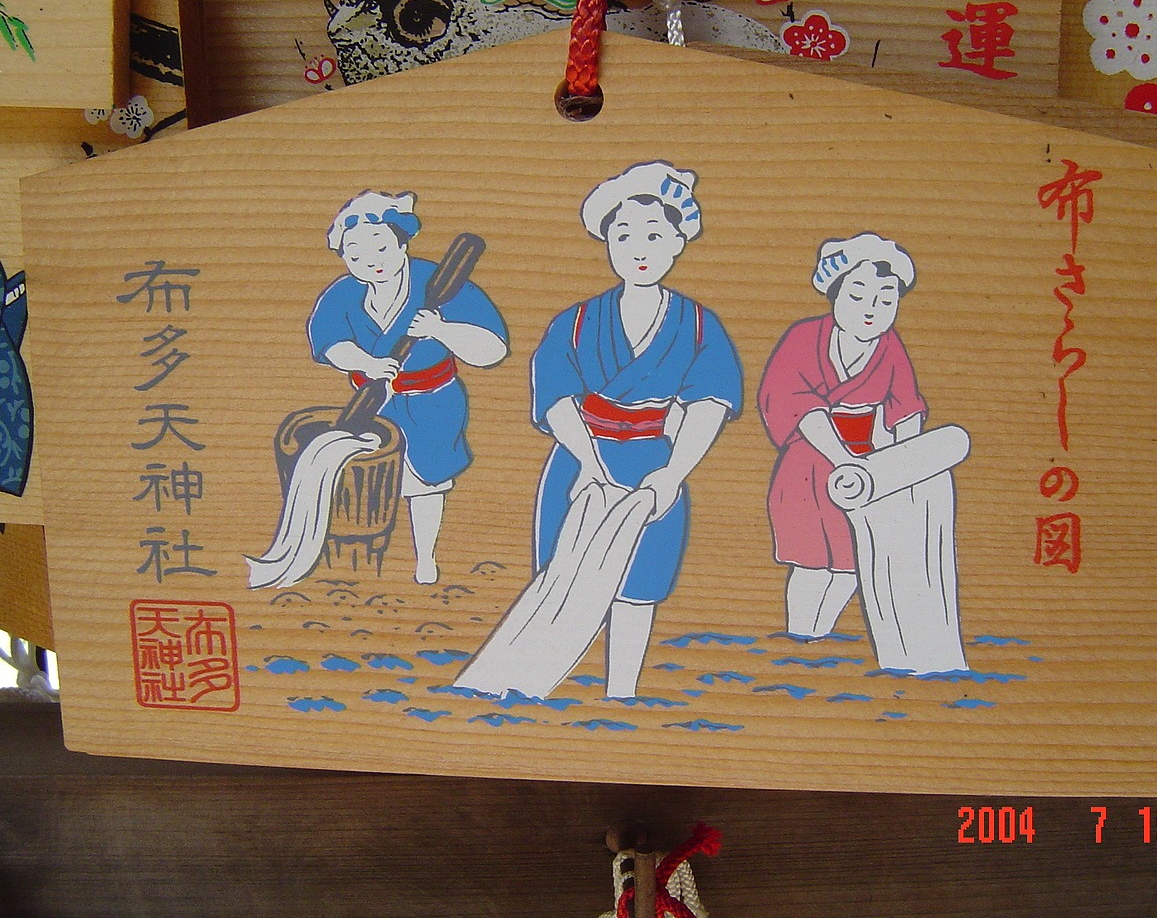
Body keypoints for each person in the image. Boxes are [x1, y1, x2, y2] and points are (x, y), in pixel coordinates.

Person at [529, 160, 743, 699]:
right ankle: (542, 684)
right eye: (623, 235)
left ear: (678, 243)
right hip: (581, 457)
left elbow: (709, 403)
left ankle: (621, 691)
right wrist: (588, 463)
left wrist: (672, 474)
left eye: (654, 235)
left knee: (638, 584)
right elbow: (556, 398)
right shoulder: (576, 322)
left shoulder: (698, 324)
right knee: (563, 577)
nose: (638, 249)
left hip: (654, 460)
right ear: (607, 243)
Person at [308, 190, 508, 584]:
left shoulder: (441, 283)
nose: (372, 262)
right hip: (372, 403)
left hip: (433, 403)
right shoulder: (344, 293)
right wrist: (366, 363)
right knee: (365, 480)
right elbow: (329, 343)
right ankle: (367, 557)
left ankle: (425, 558)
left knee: (425, 483)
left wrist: (442, 330)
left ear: (402, 243)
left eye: (381, 248)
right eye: (356, 256)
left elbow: (492, 349)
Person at [757, 232, 926, 639]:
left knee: (853, 564)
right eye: (858, 295)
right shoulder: (804, 337)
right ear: (834, 294)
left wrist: (903, 468)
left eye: (886, 300)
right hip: (808, 466)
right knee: (811, 563)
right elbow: (792, 401)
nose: (871, 309)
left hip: (868, 468)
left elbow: (905, 408)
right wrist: (844, 458)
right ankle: (800, 636)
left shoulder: (890, 346)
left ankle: (818, 636)